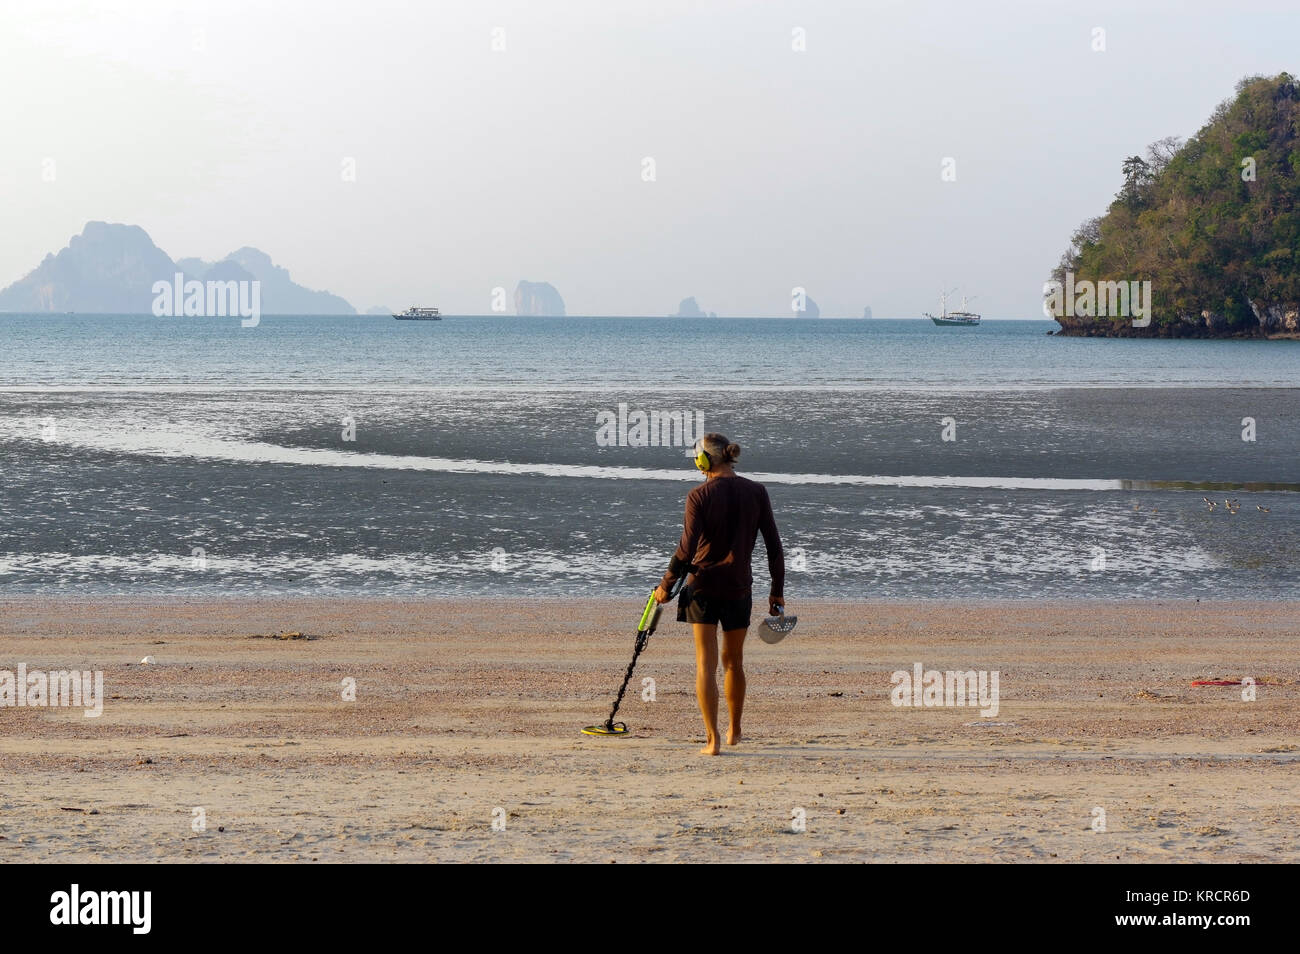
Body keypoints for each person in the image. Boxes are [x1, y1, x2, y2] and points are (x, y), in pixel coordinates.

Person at [653, 433, 786, 755]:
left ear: (704, 461)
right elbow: (774, 545)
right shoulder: (757, 491)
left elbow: (686, 548)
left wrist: (666, 585)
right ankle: (734, 731)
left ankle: (711, 740)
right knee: (734, 662)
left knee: (705, 664)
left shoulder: (699, 495)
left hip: (703, 588)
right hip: (739, 587)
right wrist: (776, 592)